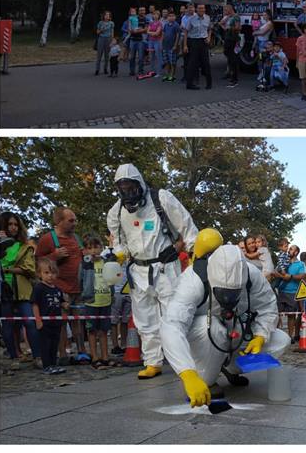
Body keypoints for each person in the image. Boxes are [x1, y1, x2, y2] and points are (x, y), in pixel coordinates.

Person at [161, 241, 291, 408]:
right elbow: (172, 326)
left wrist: (260, 335)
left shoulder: (252, 275)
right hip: (204, 335)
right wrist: (187, 374)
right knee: (212, 327)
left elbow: (268, 306)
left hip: (236, 329)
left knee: (281, 340)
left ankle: (230, 368)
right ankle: (204, 380)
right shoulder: (192, 281)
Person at [107, 163, 198, 379]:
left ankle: (185, 360)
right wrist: (120, 252)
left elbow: (186, 224)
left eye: (130, 186)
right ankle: (152, 361)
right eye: (123, 188)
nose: (127, 192)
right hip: (138, 269)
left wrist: (196, 252)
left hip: (166, 266)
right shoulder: (116, 210)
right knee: (145, 319)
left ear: (139, 183)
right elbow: (117, 238)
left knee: (174, 314)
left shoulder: (161, 199)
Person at [34, 207, 87, 363]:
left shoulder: (76, 238)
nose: (75, 223)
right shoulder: (47, 239)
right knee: (61, 322)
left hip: (77, 287)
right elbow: (37, 262)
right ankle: (63, 354)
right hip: (59, 288)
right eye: (71, 220)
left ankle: (81, 352)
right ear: (58, 222)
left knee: (77, 321)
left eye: (75, 220)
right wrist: (54, 256)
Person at [0, 211, 39, 368]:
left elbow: (29, 269)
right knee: (8, 325)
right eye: (10, 224)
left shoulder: (25, 247)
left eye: (16, 224)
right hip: (4, 290)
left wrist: (8, 269)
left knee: (29, 322)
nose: (13, 227)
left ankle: (37, 356)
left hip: (22, 290)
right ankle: (14, 357)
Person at [76, 234, 112, 368]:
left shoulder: (106, 262)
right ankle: (94, 356)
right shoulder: (85, 264)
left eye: (96, 247)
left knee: (103, 331)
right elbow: (80, 280)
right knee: (92, 331)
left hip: (105, 299)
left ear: (101, 248)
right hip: (91, 301)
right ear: (85, 250)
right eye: (89, 248)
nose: (93, 251)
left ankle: (105, 356)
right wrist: (84, 294)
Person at [31, 258, 66, 375]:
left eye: (53, 273)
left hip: (56, 323)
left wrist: (65, 304)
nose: (50, 276)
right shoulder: (39, 288)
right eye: (46, 273)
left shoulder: (57, 290)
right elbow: (35, 305)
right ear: (39, 274)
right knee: (46, 345)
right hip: (45, 323)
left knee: (54, 344)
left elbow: (61, 302)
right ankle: (47, 366)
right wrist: (38, 320)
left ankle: (53, 364)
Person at [275, 244, 306, 341]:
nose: (288, 250)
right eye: (289, 249)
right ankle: (277, 337)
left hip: (293, 293)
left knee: (291, 315)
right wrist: (282, 277)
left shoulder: (300, 264)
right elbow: (274, 272)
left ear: (296, 252)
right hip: (281, 292)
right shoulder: (283, 262)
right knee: (277, 315)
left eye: (291, 249)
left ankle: (290, 337)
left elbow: (302, 275)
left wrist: (290, 277)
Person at [182, 2, 214, 90]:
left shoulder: (207, 18)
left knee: (206, 63)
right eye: (199, 8)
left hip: (203, 42)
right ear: (197, 9)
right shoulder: (191, 19)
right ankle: (189, 84)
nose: (201, 10)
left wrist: (209, 37)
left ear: (205, 9)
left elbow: (210, 29)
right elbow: (185, 32)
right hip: (194, 42)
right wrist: (185, 45)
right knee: (192, 63)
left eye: (203, 8)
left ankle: (209, 83)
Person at [220, 3, 241, 88]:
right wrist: (225, 27)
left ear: (230, 9)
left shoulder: (236, 17)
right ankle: (230, 73)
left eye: (226, 10)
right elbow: (221, 23)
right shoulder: (228, 17)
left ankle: (234, 79)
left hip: (233, 39)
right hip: (227, 38)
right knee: (227, 54)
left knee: (233, 59)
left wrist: (229, 28)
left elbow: (238, 27)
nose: (225, 11)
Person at [161, 10, 181, 82]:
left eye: (172, 16)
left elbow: (178, 36)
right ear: (168, 17)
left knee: (172, 62)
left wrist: (175, 45)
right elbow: (163, 34)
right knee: (166, 62)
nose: (171, 17)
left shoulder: (176, 25)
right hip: (165, 46)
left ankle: (172, 75)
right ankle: (167, 74)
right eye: (169, 16)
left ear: (175, 17)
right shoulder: (166, 25)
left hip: (172, 47)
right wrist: (161, 44)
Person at [95, 10, 114, 76]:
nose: (107, 16)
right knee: (99, 55)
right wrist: (101, 30)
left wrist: (112, 41)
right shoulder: (100, 23)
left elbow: (112, 32)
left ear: (110, 16)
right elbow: (97, 32)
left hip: (108, 39)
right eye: (106, 15)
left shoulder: (111, 23)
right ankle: (97, 69)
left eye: (108, 15)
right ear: (104, 16)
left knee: (107, 55)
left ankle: (105, 69)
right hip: (101, 39)